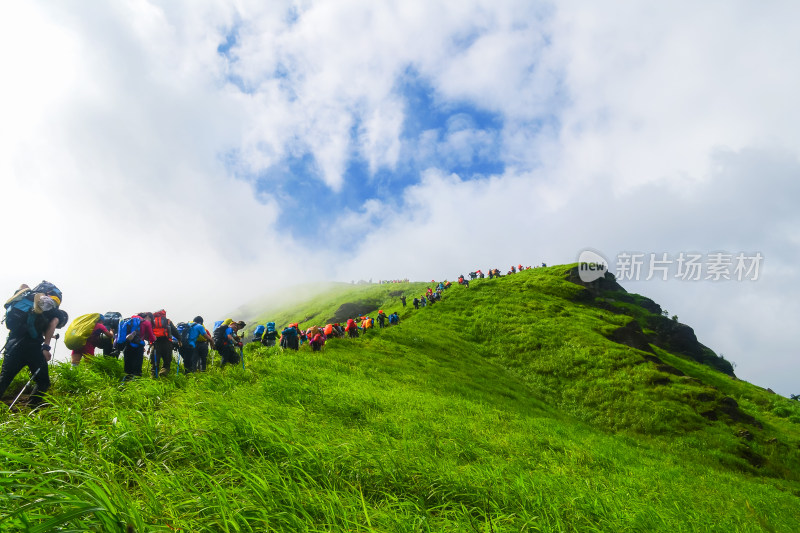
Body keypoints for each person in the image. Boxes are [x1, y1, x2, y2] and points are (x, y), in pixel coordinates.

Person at [0, 282, 67, 406]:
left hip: (13, 343)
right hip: (33, 348)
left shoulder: (25, 299)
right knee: (43, 382)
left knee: (4, 379)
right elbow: (52, 324)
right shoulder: (53, 310)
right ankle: (31, 409)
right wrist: (46, 347)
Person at [117, 312, 156, 380]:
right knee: (137, 370)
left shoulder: (130, 320)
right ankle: (136, 387)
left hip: (127, 346)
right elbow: (151, 338)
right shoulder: (147, 323)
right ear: (148, 317)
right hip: (138, 348)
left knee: (128, 370)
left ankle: (124, 386)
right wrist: (154, 338)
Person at [150, 309, 180, 377]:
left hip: (155, 343)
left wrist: (150, 342)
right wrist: (179, 340)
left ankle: (153, 377)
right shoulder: (167, 321)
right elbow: (174, 331)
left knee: (155, 363)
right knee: (167, 362)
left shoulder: (152, 322)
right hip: (167, 343)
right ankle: (163, 373)